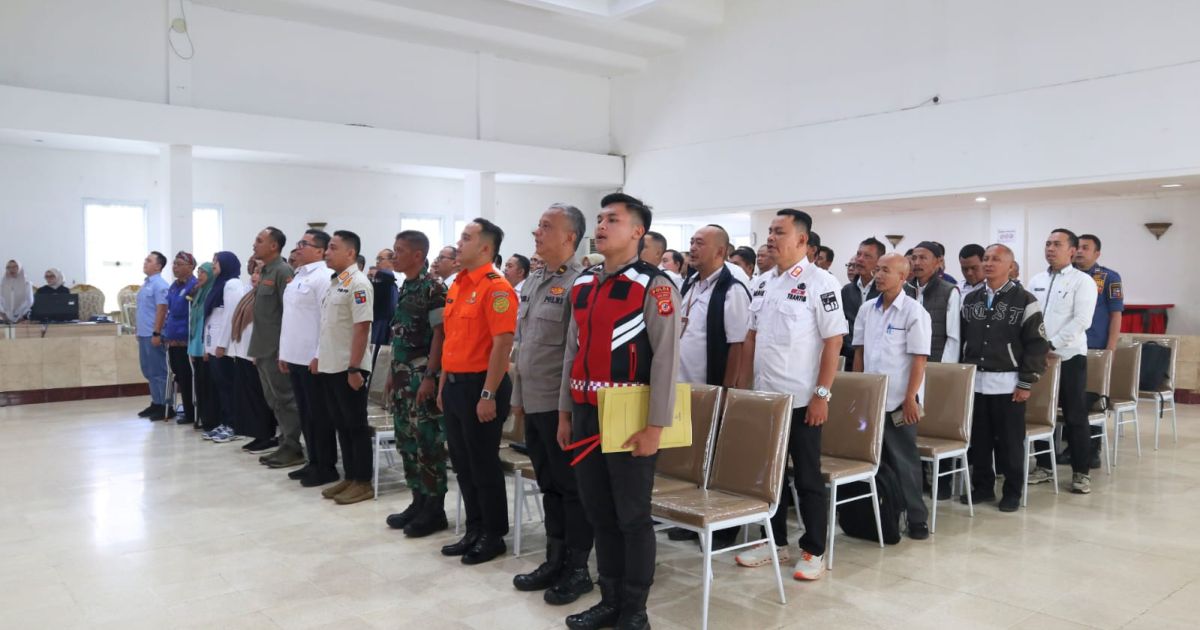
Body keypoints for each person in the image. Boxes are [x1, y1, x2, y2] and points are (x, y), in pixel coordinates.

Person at [560, 193, 680, 630]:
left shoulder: (656, 285)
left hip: (631, 417)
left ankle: (635, 610)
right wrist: (564, 413)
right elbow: (571, 353)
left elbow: (666, 359)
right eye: (600, 218)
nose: (602, 225)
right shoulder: (585, 283)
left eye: (614, 219)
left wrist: (655, 427)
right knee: (599, 513)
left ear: (637, 231)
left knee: (631, 517)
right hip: (586, 413)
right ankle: (609, 599)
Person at [734, 209, 845, 581]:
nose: (770, 237)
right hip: (766, 400)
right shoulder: (763, 282)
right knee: (770, 476)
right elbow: (752, 337)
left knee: (808, 477)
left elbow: (834, 342)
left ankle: (813, 549)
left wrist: (821, 395)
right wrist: (744, 390)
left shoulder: (821, 282)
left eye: (778, 231)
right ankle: (774, 542)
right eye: (769, 230)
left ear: (801, 240)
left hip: (801, 400)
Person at [510, 203, 595, 606]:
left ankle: (578, 569)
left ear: (569, 238)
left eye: (546, 227)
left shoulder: (581, 282)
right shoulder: (535, 279)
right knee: (549, 485)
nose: (536, 232)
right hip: (534, 400)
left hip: (560, 408)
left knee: (571, 489)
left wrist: (566, 414)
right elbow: (523, 346)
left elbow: (573, 355)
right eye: (538, 224)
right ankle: (554, 559)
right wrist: (517, 400)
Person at [438, 218, 518, 565]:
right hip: (455, 385)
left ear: (485, 248)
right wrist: (442, 386)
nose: (459, 243)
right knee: (463, 463)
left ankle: (493, 534)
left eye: (467, 238)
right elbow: (451, 342)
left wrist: (488, 394)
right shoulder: (457, 285)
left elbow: (502, 345)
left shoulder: (496, 288)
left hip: (482, 387)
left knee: (484, 464)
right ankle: (474, 528)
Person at [673, 223, 750, 550]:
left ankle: (722, 529)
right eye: (691, 241)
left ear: (720, 251)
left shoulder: (732, 289)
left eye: (700, 243)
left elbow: (738, 344)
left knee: (713, 460)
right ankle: (690, 519)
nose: (692, 248)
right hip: (682, 385)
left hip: (712, 388)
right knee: (690, 459)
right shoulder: (691, 283)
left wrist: (728, 390)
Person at [961, 244, 1049, 511]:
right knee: (980, 440)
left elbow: (1036, 344)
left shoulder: (1024, 300)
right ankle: (983, 487)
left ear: (1010, 266)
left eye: (996, 259)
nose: (989, 263)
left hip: (1009, 383)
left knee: (1011, 442)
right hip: (977, 381)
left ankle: (1012, 491)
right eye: (986, 259)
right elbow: (964, 338)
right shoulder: (972, 299)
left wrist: (1026, 382)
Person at [853, 253, 931, 540]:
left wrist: (911, 398)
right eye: (877, 270)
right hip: (871, 400)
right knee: (876, 460)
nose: (879, 275)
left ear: (903, 277)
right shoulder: (866, 310)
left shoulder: (914, 312)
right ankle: (885, 514)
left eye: (886, 270)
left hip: (900, 399)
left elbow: (919, 359)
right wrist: (859, 392)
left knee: (905, 460)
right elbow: (859, 353)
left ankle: (917, 517)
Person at [384, 230, 450, 537]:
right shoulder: (406, 287)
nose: (394, 256)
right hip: (401, 378)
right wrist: (390, 375)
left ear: (418, 256)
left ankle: (434, 509)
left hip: (420, 377)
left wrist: (429, 377)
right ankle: (417, 500)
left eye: (399, 251)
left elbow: (440, 334)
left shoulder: (432, 289)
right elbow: (399, 335)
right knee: (407, 442)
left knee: (427, 444)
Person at [1028, 229, 1098, 494]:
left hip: (1069, 357)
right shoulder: (1036, 280)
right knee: (1038, 413)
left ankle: (1081, 472)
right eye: (1047, 243)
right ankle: (1044, 467)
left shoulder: (1083, 282)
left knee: (1074, 415)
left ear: (1072, 250)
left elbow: (1081, 321)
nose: (1050, 248)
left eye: (1057, 244)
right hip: (1037, 359)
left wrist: (1051, 344)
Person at [313, 230, 377, 505]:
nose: (326, 252)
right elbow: (329, 326)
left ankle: (363, 481)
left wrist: (354, 368)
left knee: (355, 425)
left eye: (332, 248)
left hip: (348, 367)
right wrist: (318, 356)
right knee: (341, 424)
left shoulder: (359, 283)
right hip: (331, 364)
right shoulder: (335, 282)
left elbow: (362, 327)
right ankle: (350, 476)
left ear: (350, 253)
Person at [280, 230, 335, 486]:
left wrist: (318, 354)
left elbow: (326, 321)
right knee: (305, 414)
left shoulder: (323, 277)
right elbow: (290, 319)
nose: (299, 247)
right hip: (295, 356)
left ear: (320, 250)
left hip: (313, 360)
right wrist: (284, 353)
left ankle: (326, 466)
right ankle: (312, 461)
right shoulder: (298, 276)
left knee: (318, 415)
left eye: (305, 243)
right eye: (299, 242)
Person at [249, 227, 305, 469]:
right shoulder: (265, 272)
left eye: (259, 240)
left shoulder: (283, 272)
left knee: (285, 399)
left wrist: (285, 351)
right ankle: (284, 443)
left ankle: (293, 447)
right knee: (273, 400)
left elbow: (289, 314)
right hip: (262, 347)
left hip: (276, 349)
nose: (254, 244)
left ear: (274, 246)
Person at [1075, 233, 1123, 470]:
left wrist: (1110, 349)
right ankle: (1067, 446)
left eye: (1086, 248)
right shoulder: (1063, 275)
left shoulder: (1108, 277)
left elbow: (1116, 314)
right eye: (1078, 247)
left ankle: (1092, 449)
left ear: (1097, 253)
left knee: (1090, 398)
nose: (1080, 251)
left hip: (1094, 347)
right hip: (1068, 347)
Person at [228, 258, 279, 453]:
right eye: (254, 273)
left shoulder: (267, 298)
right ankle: (257, 434)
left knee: (261, 398)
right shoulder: (250, 295)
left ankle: (267, 435)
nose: (255, 276)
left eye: (260, 272)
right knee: (248, 397)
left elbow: (267, 326)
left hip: (258, 354)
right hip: (244, 354)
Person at [204, 251, 245, 443]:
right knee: (220, 386)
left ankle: (234, 425)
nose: (213, 264)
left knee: (228, 386)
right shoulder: (218, 284)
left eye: (216, 261)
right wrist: (208, 346)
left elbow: (231, 316)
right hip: (215, 345)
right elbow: (213, 318)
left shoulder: (232, 284)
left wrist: (222, 344)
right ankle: (225, 421)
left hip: (226, 348)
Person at [906, 241, 961, 364]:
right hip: (906, 363)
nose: (917, 263)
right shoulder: (904, 290)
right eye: (914, 258)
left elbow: (953, 337)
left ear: (938, 262)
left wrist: (945, 368)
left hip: (935, 362)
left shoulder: (950, 291)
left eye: (923, 258)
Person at [162, 252, 198, 424]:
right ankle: (185, 409)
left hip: (186, 339)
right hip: (173, 337)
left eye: (179, 264)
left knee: (187, 377)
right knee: (178, 375)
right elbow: (170, 309)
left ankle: (192, 413)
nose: (175, 267)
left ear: (190, 267)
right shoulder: (174, 286)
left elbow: (188, 312)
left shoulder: (194, 285)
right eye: (174, 264)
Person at [135, 252, 171, 420]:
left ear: (158, 266)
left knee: (159, 371)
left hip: (154, 334)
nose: (145, 262)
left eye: (149, 260)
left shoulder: (160, 285)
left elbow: (162, 309)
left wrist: (157, 332)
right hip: (144, 334)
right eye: (145, 260)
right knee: (148, 370)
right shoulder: (146, 284)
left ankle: (166, 405)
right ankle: (156, 403)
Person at [841, 237, 884, 368]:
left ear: (879, 261)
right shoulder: (846, 290)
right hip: (848, 358)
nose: (859, 259)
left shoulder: (884, 292)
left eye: (867, 256)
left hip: (877, 360)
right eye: (859, 254)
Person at [189, 262, 217, 432]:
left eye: (204, 272)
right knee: (199, 383)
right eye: (198, 271)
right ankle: (202, 417)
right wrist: (192, 348)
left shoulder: (212, 294)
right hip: (196, 345)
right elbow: (193, 321)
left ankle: (211, 420)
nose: (200, 275)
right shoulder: (199, 292)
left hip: (206, 346)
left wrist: (206, 347)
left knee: (208, 385)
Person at [372, 248, 400, 349]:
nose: (377, 263)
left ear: (391, 260)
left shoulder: (394, 278)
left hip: (387, 326)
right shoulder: (382, 278)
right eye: (377, 259)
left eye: (380, 259)